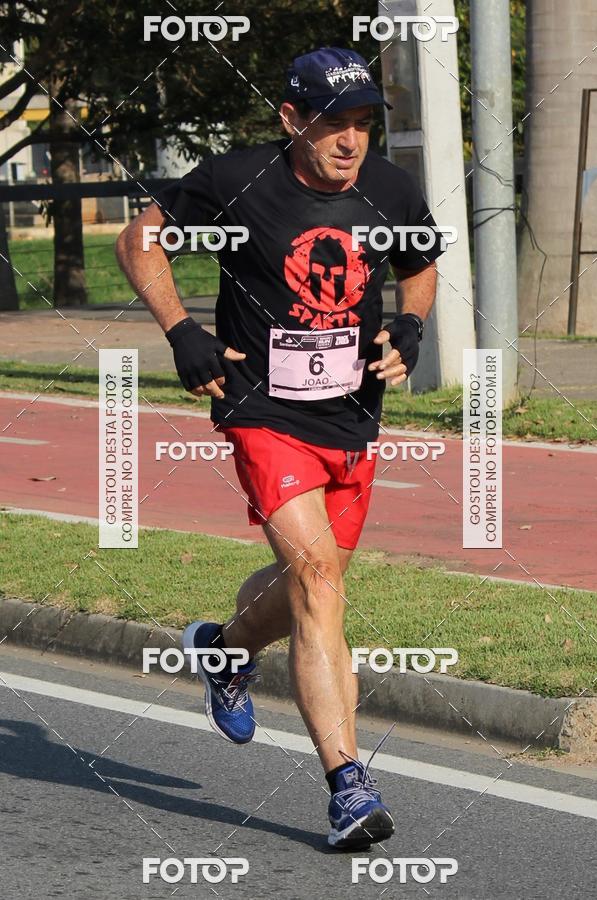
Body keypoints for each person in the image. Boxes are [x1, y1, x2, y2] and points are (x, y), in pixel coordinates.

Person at [116, 46, 444, 850]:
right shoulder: (235, 181)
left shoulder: (390, 187)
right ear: (292, 119)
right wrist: (183, 331)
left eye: (365, 125)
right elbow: (140, 238)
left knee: (312, 581)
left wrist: (409, 324)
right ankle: (348, 786)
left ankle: (224, 653)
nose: (351, 143)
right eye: (335, 126)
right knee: (319, 577)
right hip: (261, 409)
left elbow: (421, 261)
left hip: (351, 417)